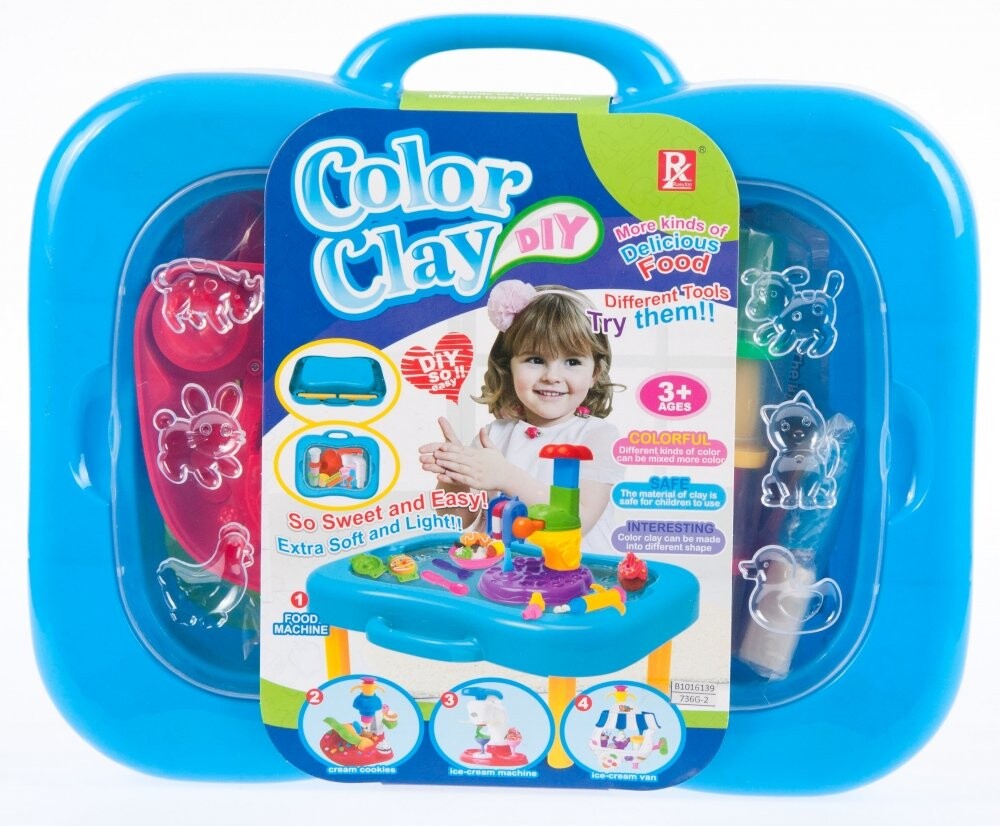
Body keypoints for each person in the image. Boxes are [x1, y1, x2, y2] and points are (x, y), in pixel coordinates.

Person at [419, 280, 624, 554]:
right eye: (536, 360)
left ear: (595, 372)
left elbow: (577, 523)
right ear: (508, 366)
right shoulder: (493, 436)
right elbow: (457, 520)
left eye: (572, 361)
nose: (552, 376)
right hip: (500, 572)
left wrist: (505, 476)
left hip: (576, 574)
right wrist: (454, 481)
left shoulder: (598, 437)